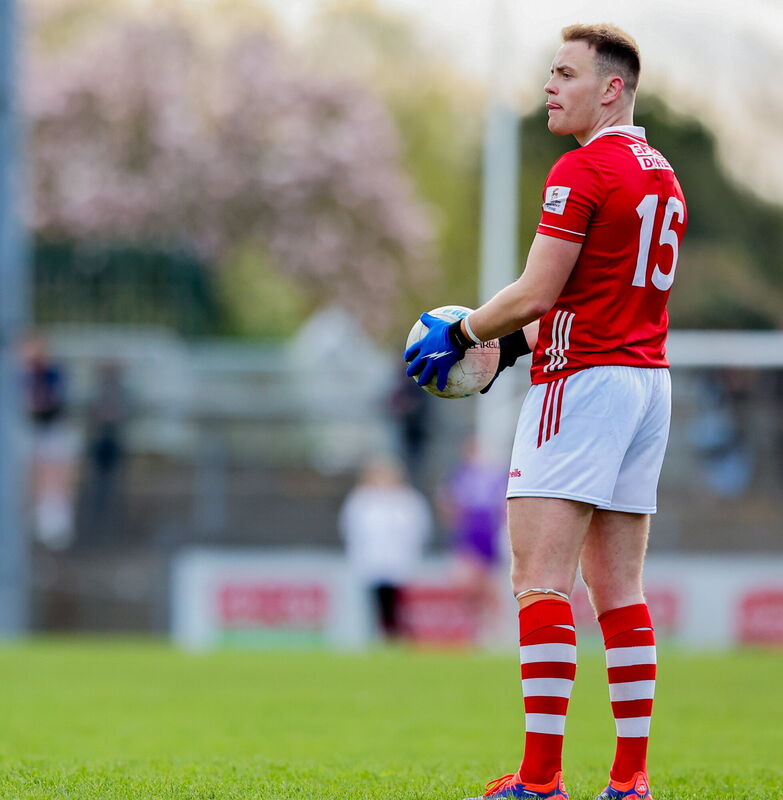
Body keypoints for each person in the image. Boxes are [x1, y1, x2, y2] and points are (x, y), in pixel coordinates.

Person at [405, 25, 687, 800]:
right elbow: (589, 294)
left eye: (564, 74)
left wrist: (460, 333)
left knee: (538, 580)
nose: (547, 87)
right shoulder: (660, 174)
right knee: (618, 589)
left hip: (585, 383)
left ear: (610, 89)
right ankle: (630, 781)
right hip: (644, 384)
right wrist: (514, 349)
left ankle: (538, 782)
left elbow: (534, 292)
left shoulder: (582, 167)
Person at [339, 456, 432, 640]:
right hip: (371, 559)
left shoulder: (407, 499)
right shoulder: (362, 499)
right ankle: (378, 635)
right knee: (375, 600)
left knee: (397, 600)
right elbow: (351, 528)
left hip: (398, 559)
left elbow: (419, 528)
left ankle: (396, 634)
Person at [438, 437, 507, 640]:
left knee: (490, 584)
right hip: (470, 533)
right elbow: (448, 501)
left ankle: (493, 629)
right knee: (468, 583)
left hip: (490, 533)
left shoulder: (498, 475)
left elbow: (504, 504)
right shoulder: (460, 474)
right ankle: (476, 626)